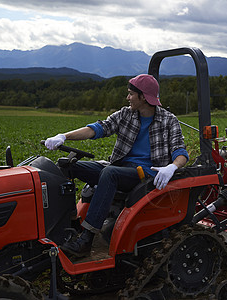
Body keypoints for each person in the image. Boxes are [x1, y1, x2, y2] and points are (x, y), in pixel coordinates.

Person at [44, 74, 189, 257]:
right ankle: (70, 225)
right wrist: (64, 136)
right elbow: (98, 128)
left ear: (143, 97)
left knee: (110, 173)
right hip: (120, 168)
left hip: (145, 174)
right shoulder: (125, 114)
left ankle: (86, 239)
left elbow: (180, 151)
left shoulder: (169, 121)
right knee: (68, 166)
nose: (128, 98)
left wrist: (172, 167)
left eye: (130, 94)